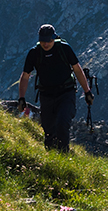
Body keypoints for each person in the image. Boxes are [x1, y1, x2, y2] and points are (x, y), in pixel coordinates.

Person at [18, 24, 93, 152]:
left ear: (54, 38)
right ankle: (52, 159)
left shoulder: (64, 49)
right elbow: (25, 76)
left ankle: (64, 158)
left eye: (48, 41)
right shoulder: (34, 53)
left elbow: (77, 70)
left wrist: (87, 92)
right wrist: (21, 98)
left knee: (62, 124)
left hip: (66, 93)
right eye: (42, 41)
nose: (45, 44)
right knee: (48, 131)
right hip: (46, 95)